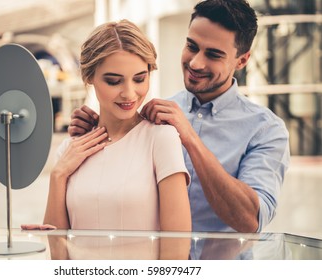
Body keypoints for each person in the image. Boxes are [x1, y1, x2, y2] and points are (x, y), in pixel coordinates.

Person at [68, 0, 290, 233]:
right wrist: (99, 127)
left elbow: (250, 220)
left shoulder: (266, 130)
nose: (196, 63)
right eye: (192, 46)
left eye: (214, 55)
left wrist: (190, 139)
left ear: (242, 60)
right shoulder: (153, 114)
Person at [32, 19, 191, 233]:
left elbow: (176, 251)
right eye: (114, 81)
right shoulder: (70, 149)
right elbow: (58, 252)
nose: (129, 93)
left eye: (139, 79)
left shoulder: (161, 139)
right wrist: (58, 175)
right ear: (89, 78)